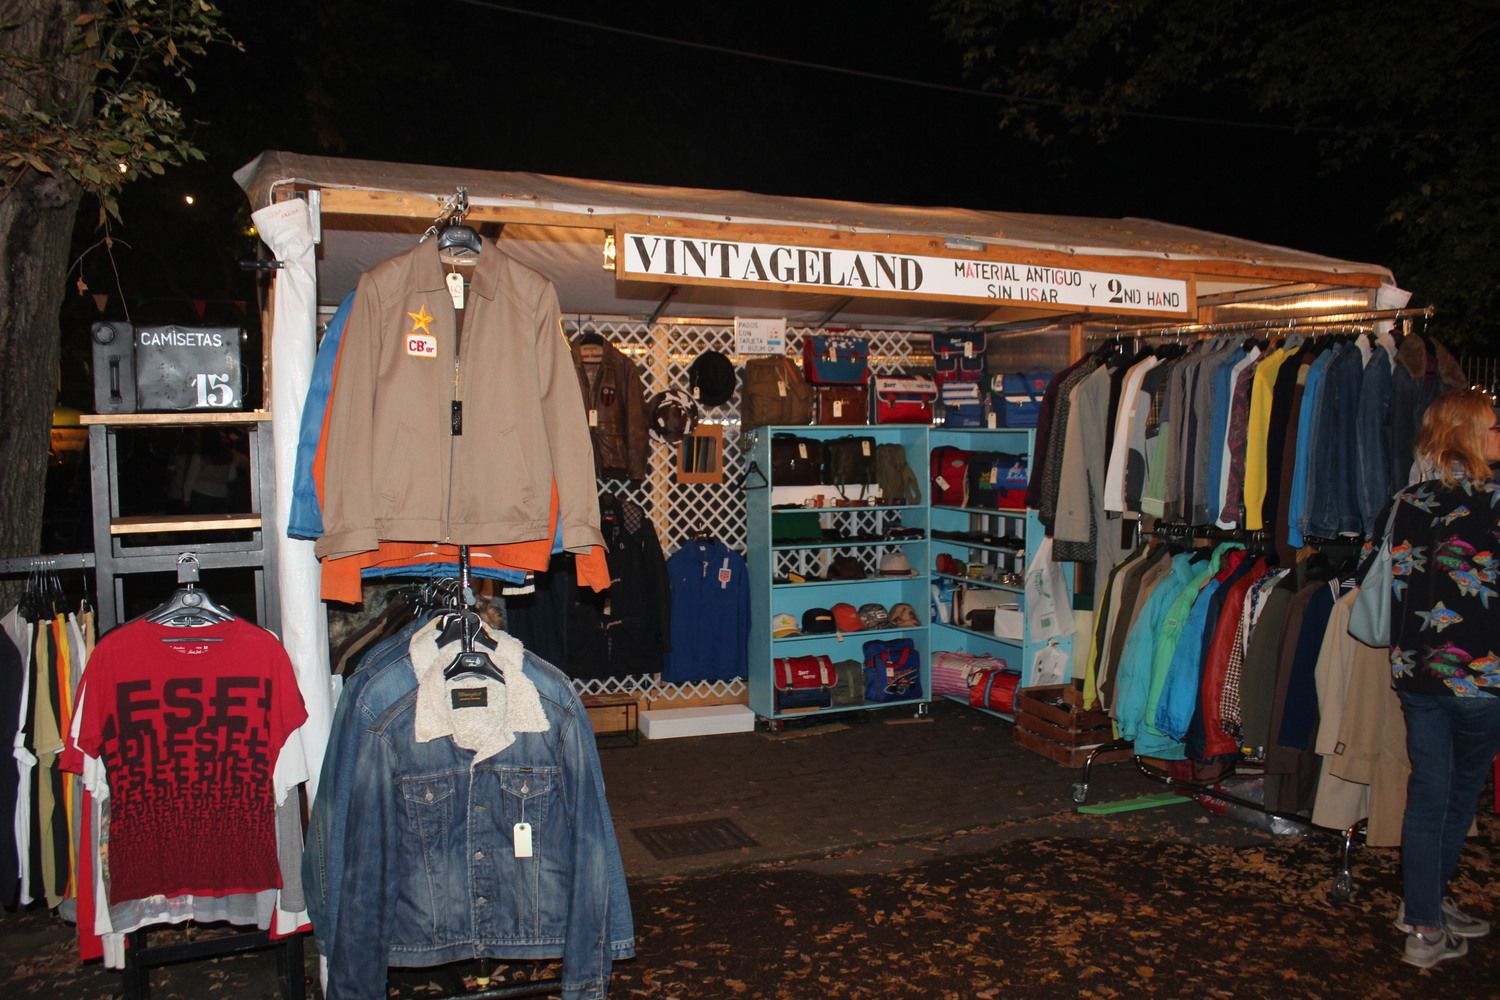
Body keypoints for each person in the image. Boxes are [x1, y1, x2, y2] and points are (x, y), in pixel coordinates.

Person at [1375, 388, 1500, 968]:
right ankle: (1424, 926)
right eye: (1493, 427)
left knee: (1429, 793)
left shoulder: (1406, 500)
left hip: (1416, 672)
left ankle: (1424, 908)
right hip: (1479, 678)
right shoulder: (1495, 501)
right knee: (1455, 796)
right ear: (1471, 435)